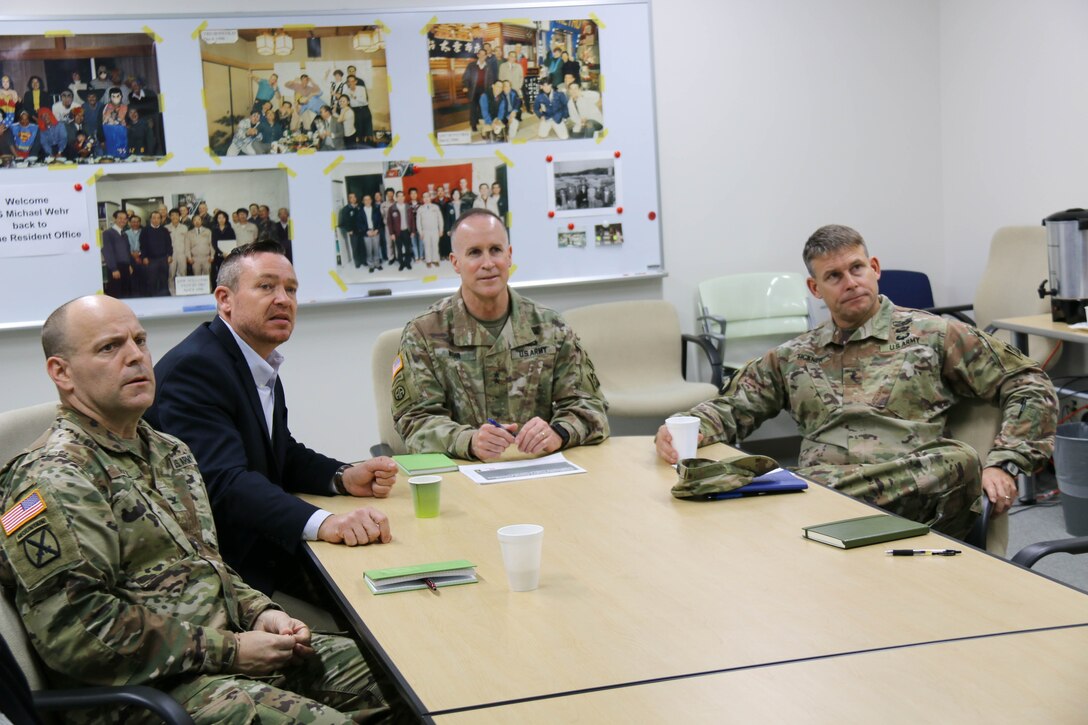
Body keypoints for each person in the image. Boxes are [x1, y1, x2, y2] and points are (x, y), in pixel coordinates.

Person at [0, 295, 390, 722]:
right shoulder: (53, 478)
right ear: (61, 372)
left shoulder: (169, 452)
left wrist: (262, 613)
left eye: (139, 340)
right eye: (110, 347)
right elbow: (79, 633)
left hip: (222, 660)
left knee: (402, 679)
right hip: (144, 695)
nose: (135, 357)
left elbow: (207, 567)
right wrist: (232, 651)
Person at [655, 224, 1058, 540]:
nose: (850, 282)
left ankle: (804, 502)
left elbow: (1028, 381)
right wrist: (682, 431)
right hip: (819, 491)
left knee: (959, 461)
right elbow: (733, 406)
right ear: (815, 289)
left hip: (912, 496)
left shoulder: (933, 333)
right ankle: (808, 501)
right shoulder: (795, 356)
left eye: (857, 268)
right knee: (725, 475)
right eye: (834, 276)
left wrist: (1006, 463)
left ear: (875, 269)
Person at [147, 240, 398, 595]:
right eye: (266, 286)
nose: (283, 299)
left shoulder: (251, 356)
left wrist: (342, 477)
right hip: (222, 570)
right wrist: (325, 522)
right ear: (225, 299)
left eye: (291, 289)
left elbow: (277, 452)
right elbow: (225, 483)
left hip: (262, 543)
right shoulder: (197, 368)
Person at [393, 209, 609, 459]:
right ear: (455, 262)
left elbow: (591, 406)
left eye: (495, 250)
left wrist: (558, 432)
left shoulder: (551, 327)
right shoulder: (424, 333)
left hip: (537, 471)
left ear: (509, 256)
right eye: (474, 252)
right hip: (463, 473)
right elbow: (414, 421)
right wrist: (469, 441)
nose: (488, 263)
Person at [461, 48, 496, 135]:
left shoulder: (488, 66)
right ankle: (473, 124)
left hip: (484, 90)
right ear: (478, 55)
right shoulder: (471, 65)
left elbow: (491, 79)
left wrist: (491, 88)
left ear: (486, 56)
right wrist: (465, 86)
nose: (482, 56)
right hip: (473, 90)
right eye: (481, 54)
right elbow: (466, 77)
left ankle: (482, 123)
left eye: (484, 54)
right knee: (473, 108)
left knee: (483, 107)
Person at [139, 210, 172, 296]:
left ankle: (164, 299)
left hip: (163, 259)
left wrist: (170, 255)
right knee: (151, 281)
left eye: (158, 218)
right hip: (151, 260)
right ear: (150, 219)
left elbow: (169, 244)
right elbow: (142, 245)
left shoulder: (164, 230)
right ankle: (152, 300)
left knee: (164, 280)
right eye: (154, 218)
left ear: (160, 220)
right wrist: (144, 257)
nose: (156, 220)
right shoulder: (145, 230)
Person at [101, 209, 132, 298]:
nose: (122, 220)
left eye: (125, 219)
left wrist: (129, 265)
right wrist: (114, 268)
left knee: (126, 293)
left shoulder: (124, 234)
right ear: (115, 219)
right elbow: (107, 251)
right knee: (116, 294)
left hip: (125, 267)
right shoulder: (108, 233)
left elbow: (127, 250)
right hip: (115, 268)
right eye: (120, 218)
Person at [387, 190, 415, 271]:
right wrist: (391, 233)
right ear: (396, 197)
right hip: (397, 232)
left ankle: (408, 262)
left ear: (404, 197)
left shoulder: (408, 207)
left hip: (407, 231)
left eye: (402, 196)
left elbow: (412, 220)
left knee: (407, 248)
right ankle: (401, 264)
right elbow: (389, 222)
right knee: (399, 249)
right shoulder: (392, 208)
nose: (400, 198)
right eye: (398, 196)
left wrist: (413, 231)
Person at [416, 191, 444, 268]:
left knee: (435, 245)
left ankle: (435, 260)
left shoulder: (435, 207)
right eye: (424, 197)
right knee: (427, 246)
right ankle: (428, 261)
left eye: (427, 197)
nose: (426, 199)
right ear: (422, 199)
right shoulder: (420, 209)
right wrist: (420, 232)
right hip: (425, 231)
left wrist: (441, 230)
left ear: (430, 197)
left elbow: (440, 219)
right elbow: (418, 222)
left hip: (435, 230)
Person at [166, 207, 190, 294]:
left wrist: (188, 255)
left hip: (182, 254)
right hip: (171, 255)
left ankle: (183, 292)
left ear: (179, 216)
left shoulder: (184, 228)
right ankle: (172, 293)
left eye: (176, 215)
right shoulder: (166, 228)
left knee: (183, 273)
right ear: (170, 217)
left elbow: (187, 242)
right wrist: (167, 255)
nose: (174, 217)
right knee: (171, 274)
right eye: (172, 215)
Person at [357, 194, 384, 273]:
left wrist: (376, 230)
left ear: (371, 201)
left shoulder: (376, 210)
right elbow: (359, 223)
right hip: (366, 233)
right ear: (363, 201)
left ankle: (377, 264)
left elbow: (380, 221)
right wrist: (366, 231)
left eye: (369, 199)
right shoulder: (360, 212)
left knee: (376, 249)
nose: (367, 201)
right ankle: (371, 265)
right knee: (369, 250)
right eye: (365, 200)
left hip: (375, 232)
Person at [187, 211, 215, 281]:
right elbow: (187, 247)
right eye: (195, 220)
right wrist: (189, 258)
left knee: (207, 278)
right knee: (197, 278)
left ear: (201, 221)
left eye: (199, 220)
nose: (197, 222)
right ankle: (199, 292)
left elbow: (212, 244)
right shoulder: (189, 233)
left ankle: (209, 291)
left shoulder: (208, 231)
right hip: (195, 259)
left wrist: (212, 256)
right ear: (192, 222)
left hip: (206, 258)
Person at [338, 192, 361, 268]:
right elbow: (344, 221)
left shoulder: (359, 207)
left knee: (361, 246)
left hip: (361, 230)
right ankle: (357, 263)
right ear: (349, 199)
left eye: (354, 197)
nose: (353, 198)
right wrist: (349, 230)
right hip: (353, 231)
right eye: (351, 197)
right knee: (355, 247)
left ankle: (363, 261)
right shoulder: (346, 209)